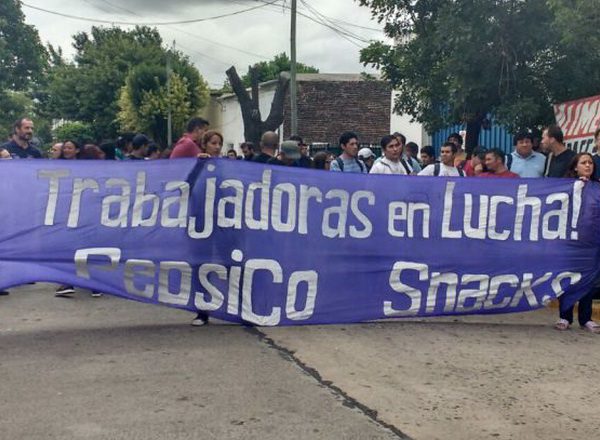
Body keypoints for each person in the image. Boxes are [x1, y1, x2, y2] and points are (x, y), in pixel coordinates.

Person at [555, 152, 600, 333]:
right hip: (571, 241)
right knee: (568, 278)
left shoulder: (598, 187)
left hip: (592, 242)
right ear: (575, 167)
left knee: (589, 279)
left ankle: (585, 318)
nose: (588, 165)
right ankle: (565, 316)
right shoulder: (565, 187)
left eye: (590, 163)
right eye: (583, 163)